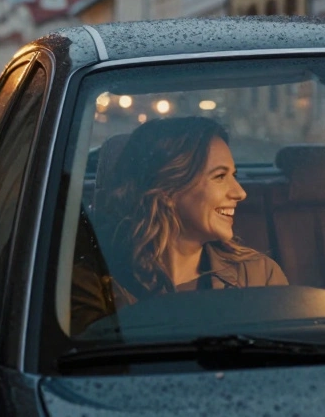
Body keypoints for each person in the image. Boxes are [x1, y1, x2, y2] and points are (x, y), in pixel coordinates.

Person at [72, 117, 287, 332]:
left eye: (234, 175)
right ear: (167, 191)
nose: (240, 192)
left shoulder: (259, 275)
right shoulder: (94, 282)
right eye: (220, 176)